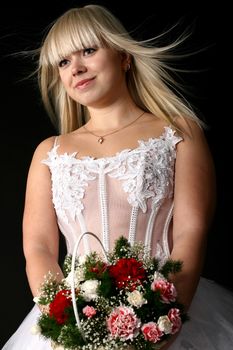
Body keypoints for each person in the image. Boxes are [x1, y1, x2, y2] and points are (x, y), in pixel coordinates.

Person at [2, 4, 233, 350]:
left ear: (124, 56)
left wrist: (164, 325)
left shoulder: (178, 132)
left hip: (166, 311)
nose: (76, 68)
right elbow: (39, 247)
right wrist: (66, 324)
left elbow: (190, 230)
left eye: (88, 50)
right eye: (63, 62)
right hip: (75, 323)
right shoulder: (49, 153)